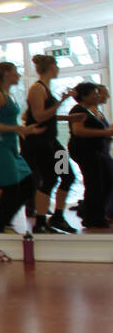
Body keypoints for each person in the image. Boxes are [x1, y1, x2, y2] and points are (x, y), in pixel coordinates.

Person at [0, 62, 43, 233]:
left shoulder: (8, 95)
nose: (19, 75)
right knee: (12, 189)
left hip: (10, 146)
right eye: (16, 72)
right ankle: (0, 228)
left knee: (28, 183)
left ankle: (4, 223)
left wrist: (22, 130)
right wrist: (17, 128)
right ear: (6, 74)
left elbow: (8, 121)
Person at [23, 55, 77, 233]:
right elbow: (39, 117)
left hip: (51, 142)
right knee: (50, 179)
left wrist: (67, 117)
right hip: (40, 143)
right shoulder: (37, 89)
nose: (58, 68)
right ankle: (40, 222)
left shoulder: (45, 88)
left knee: (68, 176)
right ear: (50, 67)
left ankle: (57, 217)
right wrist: (62, 102)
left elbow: (42, 115)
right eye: (57, 65)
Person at [66, 82, 112, 228]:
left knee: (99, 182)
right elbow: (78, 131)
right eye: (94, 93)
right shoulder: (78, 110)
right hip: (85, 151)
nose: (97, 95)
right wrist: (105, 133)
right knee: (94, 183)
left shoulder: (88, 111)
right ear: (84, 96)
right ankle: (92, 218)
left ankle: (94, 215)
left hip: (94, 151)